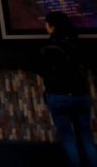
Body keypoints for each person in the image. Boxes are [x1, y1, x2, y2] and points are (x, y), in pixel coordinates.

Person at [36, 11, 97, 167]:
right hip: (80, 95)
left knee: (67, 138)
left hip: (58, 96)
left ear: (52, 27)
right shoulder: (78, 45)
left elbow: (40, 69)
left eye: (47, 23)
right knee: (86, 136)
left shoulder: (47, 48)